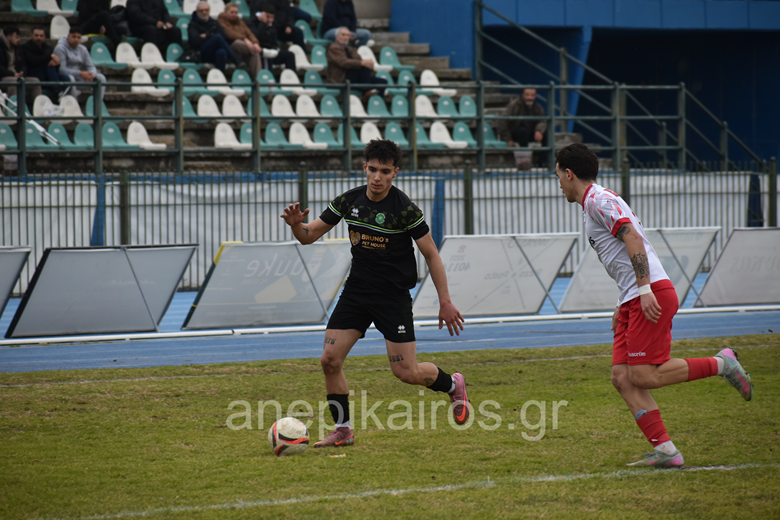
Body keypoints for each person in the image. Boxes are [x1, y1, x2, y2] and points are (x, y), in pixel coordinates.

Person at [554, 143, 754, 469]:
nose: (559, 184)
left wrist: (644, 289)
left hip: (648, 293)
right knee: (622, 377)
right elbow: (624, 252)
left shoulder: (598, 200)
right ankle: (666, 451)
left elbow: (632, 238)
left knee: (645, 375)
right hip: (633, 296)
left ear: (569, 173)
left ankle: (723, 364)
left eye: (558, 176)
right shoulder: (594, 202)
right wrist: (623, 301)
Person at [280, 139, 469, 448]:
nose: (377, 177)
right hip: (356, 293)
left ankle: (453, 384)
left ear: (395, 172)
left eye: (385, 171)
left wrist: (445, 302)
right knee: (329, 359)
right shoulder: (348, 201)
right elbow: (309, 235)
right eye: (373, 170)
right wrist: (295, 226)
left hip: (392, 297)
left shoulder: (405, 210)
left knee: (406, 372)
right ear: (364, 167)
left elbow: (432, 255)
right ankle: (343, 429)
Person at [325, 26, 386, 100]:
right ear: (337, 37)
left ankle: (375, 103)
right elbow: (343, 62)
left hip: (356, 77)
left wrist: (368, 63)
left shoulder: (351, 49)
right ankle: (366, 92)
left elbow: (358, 60)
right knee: (365, 67)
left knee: (382, 82)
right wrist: (362, 63)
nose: (345, 37)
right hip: (341, 78)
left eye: (347, 35)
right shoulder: (333, 48)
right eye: (343, 35)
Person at [498, 88, 547, 167]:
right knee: (523, 132)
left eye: (532, 95)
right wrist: (508, 139)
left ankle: (543, 161)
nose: (530, 97)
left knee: (547, 132)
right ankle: (524, 162)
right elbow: (503, 122)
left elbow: (542, 121)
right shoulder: (514, 106)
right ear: (522, 95)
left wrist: (539, 130)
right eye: (527, 95)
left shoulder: (538, 107)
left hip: (531, 132)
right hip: (516, 132)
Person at [188, 2, 240, 73]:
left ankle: (220, 76)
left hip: (213, 52)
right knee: (217, 38)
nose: (204, 12)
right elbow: (195, 41)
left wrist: (207, 36)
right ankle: (236, 61)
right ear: (197, 11)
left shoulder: (214, 22)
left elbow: (223, 35)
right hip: (200, 53)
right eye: (201, 10)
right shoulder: (192, 24)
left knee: (221, 52)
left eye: (206, 10)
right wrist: (212, 39)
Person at [20, 27, 70, 99]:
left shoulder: (47, 47)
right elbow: (34, 61)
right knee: (49, 65)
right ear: (31, 36)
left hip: (48, 76)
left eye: (41, 36)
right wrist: (50, 56)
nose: (39, 38)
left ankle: (59, 92)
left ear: (44, 37)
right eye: (36, 35)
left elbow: (50, 61)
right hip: (33, 75)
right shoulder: (25, 47)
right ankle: (58, 91)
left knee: (65, 78)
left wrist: (56, 63)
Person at [218, 2, 262, 79]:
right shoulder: (221, 21)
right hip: (230, 51)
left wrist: (255, 43)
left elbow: (250, 34)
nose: (234, 14)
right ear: (225, 12)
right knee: (238, 43)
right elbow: (229, 33)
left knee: (255, 54)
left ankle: (258, 80)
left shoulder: (240, 22)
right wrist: (245, 39)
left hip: (244, 51)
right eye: (232, 12)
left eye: (236, 12)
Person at [0, 26, 42, 104]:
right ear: (8, 37)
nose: (19, 40)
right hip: (3, 77)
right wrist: (13, 74)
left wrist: (22, 72)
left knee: (35, 81)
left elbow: (23, 64)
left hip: (17, 76)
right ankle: (13, 108)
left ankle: (38, 107)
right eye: (16, 37)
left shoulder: (18, 48)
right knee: (14, 82)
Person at [248, 6, 296, 72]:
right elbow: (258, 37)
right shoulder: (253, 24)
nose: (270, 20)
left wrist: (274, 50)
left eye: (272, 18)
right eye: (267, 17)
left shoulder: (272, 26)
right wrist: (263, 23)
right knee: (267, 58)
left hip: (271, 52)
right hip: (260, 52)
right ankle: (268, 76)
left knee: (289, 55)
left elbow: (274, 42)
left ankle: (291, 76)